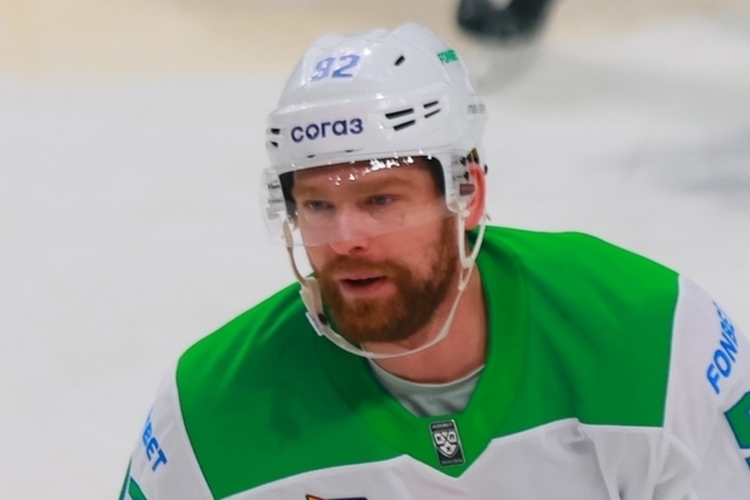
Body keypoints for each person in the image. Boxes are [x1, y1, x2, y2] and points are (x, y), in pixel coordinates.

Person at [120, 23, 750, 500]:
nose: (345, 239)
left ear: (468, 194)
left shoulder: (652, 336)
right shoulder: (207, 415)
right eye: (317, 205)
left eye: (381, 200)